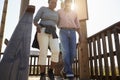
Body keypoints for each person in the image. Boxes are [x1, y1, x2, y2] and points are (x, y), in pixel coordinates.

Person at [33, 0, 60, 80]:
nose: (54, 4)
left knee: (56, 50)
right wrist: (37, 26)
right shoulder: (43, 9)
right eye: (52, 2)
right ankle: (42, 74)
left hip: (53, 32)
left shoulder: (57, 13)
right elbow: (35, 20)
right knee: (43, 51)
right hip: (43, 30)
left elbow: (59, 24)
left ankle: (50, 71)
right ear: (48, 2)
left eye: (55, 3)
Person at [58, 0, 82, 79]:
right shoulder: (59, 12)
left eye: (69, 2)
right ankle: (69, 73)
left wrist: (80, 35)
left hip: (72, 32)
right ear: (64, 3)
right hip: (63, 31)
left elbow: (78, 25)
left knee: (73, 53)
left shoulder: (74, 13)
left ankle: (64, 70)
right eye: (66, 2)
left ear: (71, 4)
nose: (68, 4)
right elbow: (53, 20)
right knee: (66, 51)